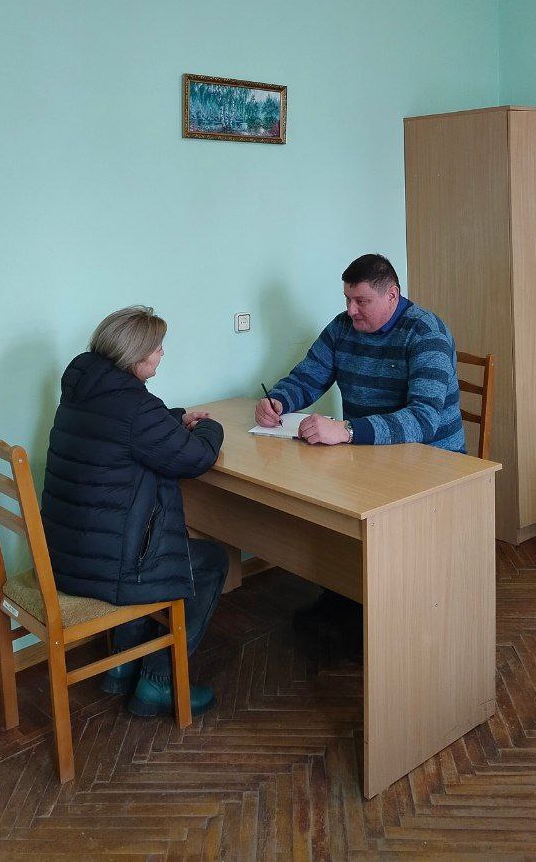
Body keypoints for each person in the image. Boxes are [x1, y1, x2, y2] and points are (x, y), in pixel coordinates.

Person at [255, 253, 466, 641]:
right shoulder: (342, 328)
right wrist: (279, 401)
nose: (351, 311)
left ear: (392, 296)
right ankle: (345, 595)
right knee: (325, 499)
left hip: (434, 465)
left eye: (362, 301)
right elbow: (308, 377)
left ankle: (389, 616)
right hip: (367, 455)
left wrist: (347, 430)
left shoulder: (426, 335)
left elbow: (423, 420)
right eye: (348, 300)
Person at [41, 305, 228, 718]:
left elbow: (127, 430)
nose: (162, 354)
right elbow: (196, 458)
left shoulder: (85, 386)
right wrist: (211, 427)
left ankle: (122, 665)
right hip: (108, 568)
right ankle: (158, 681)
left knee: (139, 538)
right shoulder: (135, 407)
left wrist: (174, 418)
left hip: (67, 555)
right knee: (209, 560)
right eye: (157, 347)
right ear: (136, 356)